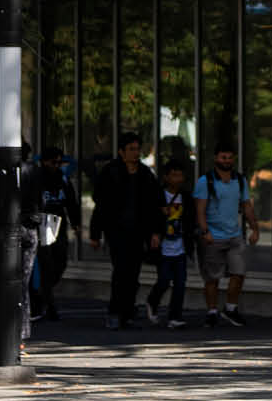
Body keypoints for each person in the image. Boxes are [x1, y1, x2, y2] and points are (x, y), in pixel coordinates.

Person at [88, 133, 159, 330]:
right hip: (116, 231)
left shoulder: (145, 174)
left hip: (138, 231)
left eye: (137, 149)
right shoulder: (110, 173)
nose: (135, 153)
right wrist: (95, 234)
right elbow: (100, 205)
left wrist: (155, 232)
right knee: (121, 271)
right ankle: (114, 311)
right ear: (121, 152)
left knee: (133, 273)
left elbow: (154, 206)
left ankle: (127, 311)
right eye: (131, 149)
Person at [189, 147, 254, 328]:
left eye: (229, 157)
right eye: (223, 156)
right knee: (212, 277)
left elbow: (246, 205)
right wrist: (204, 231)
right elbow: (199, 209)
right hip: (212, 236)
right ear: (216, 157)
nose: (226, 160)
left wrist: (254, 228)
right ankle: (212, 311)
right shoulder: (206, 181)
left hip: (235, 235)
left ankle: (230, 308)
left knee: (238, 273)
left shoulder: (239, 180)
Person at [24, 147, 80, 324]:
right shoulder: (37, 178)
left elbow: (71, 201)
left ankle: (43, 292)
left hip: (58, 223)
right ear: (44, 162)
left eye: (58, 162)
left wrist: (76, 222)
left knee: (60, 261)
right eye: (52, 162)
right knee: (46, 265)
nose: (56, 166)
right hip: (41, 222)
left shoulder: (62, 179)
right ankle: (48, 304)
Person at [152, 162, 195, 328]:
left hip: (180, 247)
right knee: (164, 280)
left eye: (180, 175)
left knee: (180, 282)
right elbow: (150, 215)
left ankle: (175, 316)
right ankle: (153, 301)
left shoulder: (186, 197)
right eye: (174, 175)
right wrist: (155, 231)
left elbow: (190, 220)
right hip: (164, 247)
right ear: (166, 177)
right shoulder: (158, 196)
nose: (178, 179)